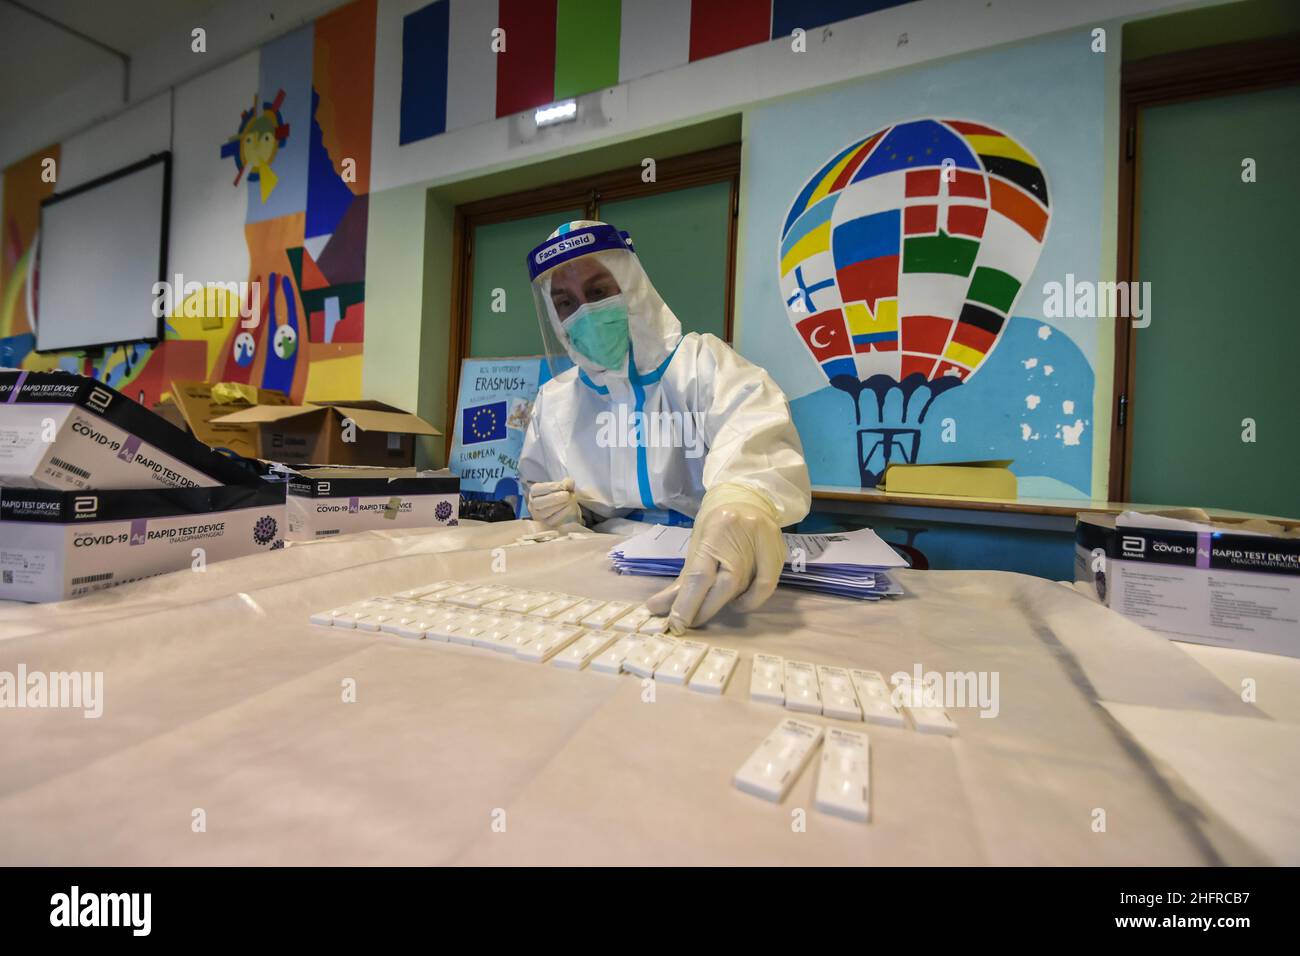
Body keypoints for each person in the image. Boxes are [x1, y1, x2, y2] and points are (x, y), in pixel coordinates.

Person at [519, 220, 811, 631]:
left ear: (632, 286)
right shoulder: (554, 402)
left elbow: (756, 436)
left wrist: (743, 497)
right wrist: (564, 516)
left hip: (713, 564)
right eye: (566, 302)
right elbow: (537, 491)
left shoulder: (704, 365)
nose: (584, 312)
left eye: (598, 292)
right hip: (595, 578)